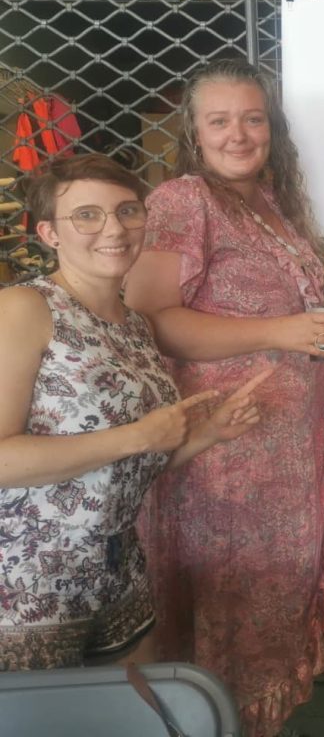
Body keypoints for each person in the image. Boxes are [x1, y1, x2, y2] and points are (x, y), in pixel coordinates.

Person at [124, 59, 324, 737]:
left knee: (268, 596)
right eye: (220, 120)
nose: (238, 133)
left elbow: (308, 313)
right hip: (223, 462)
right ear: (193, 132)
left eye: (252, 118)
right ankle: (218, 722)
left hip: (284, 457)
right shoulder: (181, 200)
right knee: (227, 603)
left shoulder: (269, 202)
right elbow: (152, 318)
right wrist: (278, 332)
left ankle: (254, 722)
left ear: (272, 127)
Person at [0, 154, 267, 671]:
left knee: (136, 715)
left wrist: (208, 433)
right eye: (86, 215)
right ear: (49, 233)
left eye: (127, 211)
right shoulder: (24, 308)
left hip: (117, 569)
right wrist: (137, 437)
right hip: (26, 584)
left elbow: (131, 464)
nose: (113, 229)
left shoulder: (136, 326)